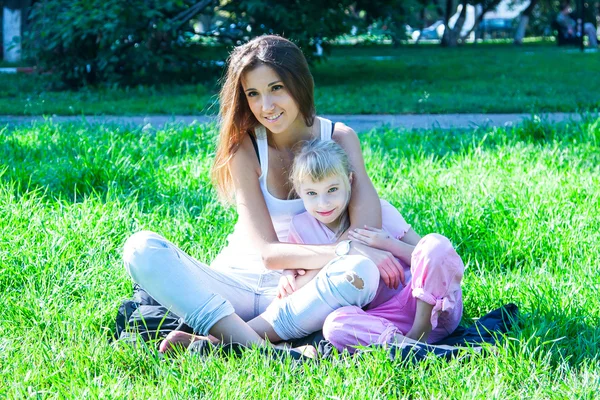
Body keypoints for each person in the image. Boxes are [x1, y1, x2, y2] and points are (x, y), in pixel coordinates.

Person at [122, 35, 405, 353]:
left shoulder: (339, 138)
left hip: (300, 293)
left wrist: (331, 263)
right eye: (253, 94)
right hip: (233, 288)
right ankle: (265, 352)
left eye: (276, 88)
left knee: (362, 272)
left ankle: (216, 343)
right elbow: (270, 253)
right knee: (139, 249)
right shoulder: (246, 146)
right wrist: (343, 251)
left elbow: (366, 237)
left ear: (299, 84)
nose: (265, 107)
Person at [276, 139, 464, 353]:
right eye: (311, 193)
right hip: (386, 321)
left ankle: (419, 335)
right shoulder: (301, 228)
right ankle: (416, 349)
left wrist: (389, 244)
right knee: (335, 325)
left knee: (435, 243)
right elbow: (300, 276)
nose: (323, 203)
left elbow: (431, 257)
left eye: (332, 189)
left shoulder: (379, 211)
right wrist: (287, 274)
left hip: (429, 310)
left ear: (349, 180)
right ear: (298, 190)